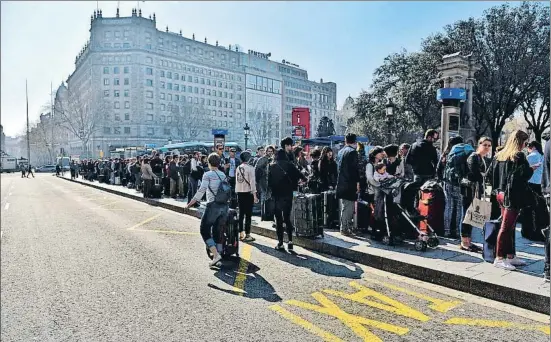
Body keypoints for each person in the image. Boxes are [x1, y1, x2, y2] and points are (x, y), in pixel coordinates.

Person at [491, 130, 532, 270]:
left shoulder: (499, 155)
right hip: (512, 196)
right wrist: (531, 169)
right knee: (506, 227)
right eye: (525, 142)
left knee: (510, 226)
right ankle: (499, 257)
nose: (525, 145)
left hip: (500, 194)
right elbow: (525, 175)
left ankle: (510, 255)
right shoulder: (518, 156)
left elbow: (492, 175)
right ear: (520, 142)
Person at [186, 153, 229, 267]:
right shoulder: (223, 174)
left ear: (209, 163)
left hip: (213, 206)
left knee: (204, 230)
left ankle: (215, 255)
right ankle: (219, 253)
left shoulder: (207, 174)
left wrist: (191, 203)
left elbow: (201, 190)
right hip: (224, 207)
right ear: (219, 163)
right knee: (217, 231)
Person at [268, 148, 307, 251]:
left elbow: (269, 183)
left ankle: (280, 243)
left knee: (279, 220)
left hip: (276, 196)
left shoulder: (272, 166)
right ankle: (290, 242)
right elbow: (303, 177)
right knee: (287, 218)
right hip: (288, 195)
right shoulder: (290, 165)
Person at [462, 137, 492, 252]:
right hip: (469, 190)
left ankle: (469, 241)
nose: (487, 148)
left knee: (471, 216)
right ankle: (464, 241)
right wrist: (484, 175)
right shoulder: (474, 156)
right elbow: (474, 174)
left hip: (476, 190)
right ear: (479, 145)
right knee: (466, 215)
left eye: (489, 145)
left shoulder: (483, 158)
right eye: (485, 145)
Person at [437, 136, 467, 238]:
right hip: (459, 183)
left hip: (447, 183)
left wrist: (442, 180)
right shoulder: (463, 154)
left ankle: (446, 231)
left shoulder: (446, 154)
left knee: (448, 206)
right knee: (458, 207)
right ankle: (457, 231)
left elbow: (438, 169)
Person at [336, 133, 360, 236]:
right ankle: (345, 228)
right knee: (348, 208)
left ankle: (344, 227)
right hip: (349, 184)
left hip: (341, 183)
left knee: (345, 207)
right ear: (355, 142)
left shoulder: (341, 152)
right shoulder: (353, 152)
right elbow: (354, 170)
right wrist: (358, 183)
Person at [235, 151, 258, 242]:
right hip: (248, 193)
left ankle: (241, 233)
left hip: (239, 192)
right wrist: (255, 196)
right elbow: (252, 183)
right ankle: (248, 234)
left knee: (241, 214)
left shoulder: (238, 167)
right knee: (248, 215)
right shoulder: (250, 168)